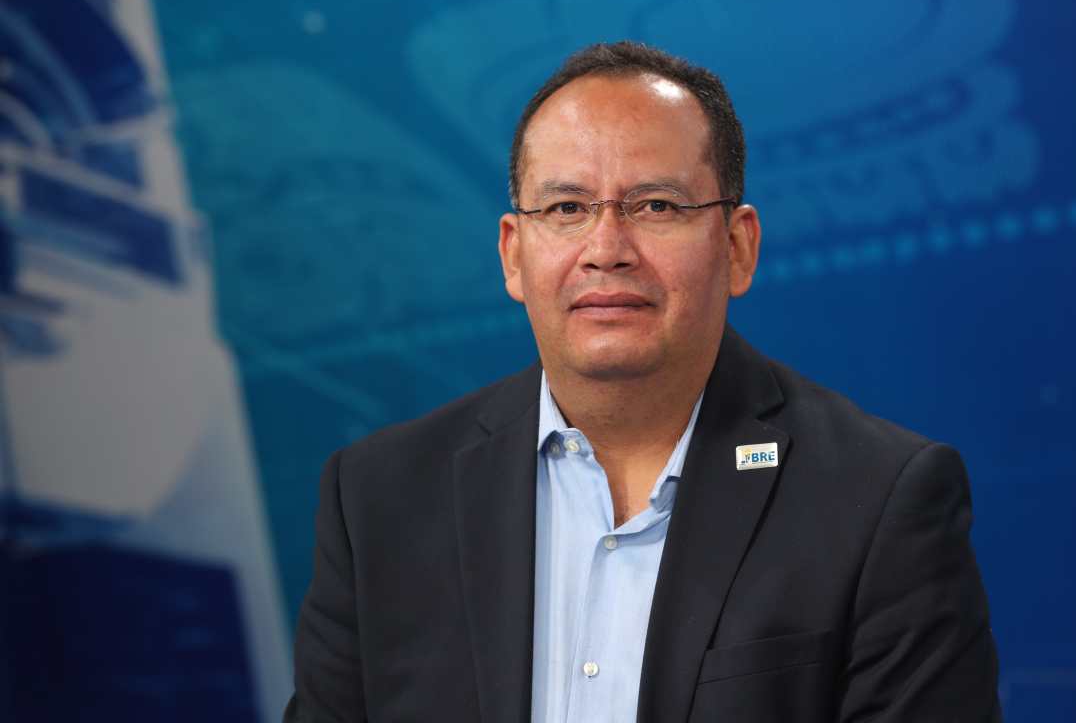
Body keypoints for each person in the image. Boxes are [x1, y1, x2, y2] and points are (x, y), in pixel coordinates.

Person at [285, 41, 1001, 722]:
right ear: (513, 254)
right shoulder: (378, 500)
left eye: (657, 205)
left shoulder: (878, 500)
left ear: (737, 247)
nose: (606, 250)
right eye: (566, 209)